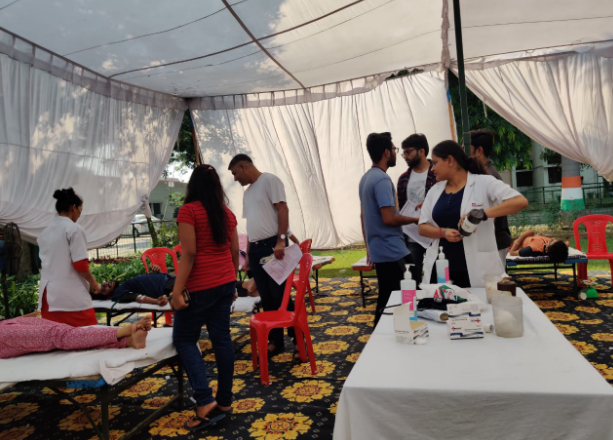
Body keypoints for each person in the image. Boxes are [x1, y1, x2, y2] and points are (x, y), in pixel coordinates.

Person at [170, 165, 239, 431]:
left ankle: (204, 400)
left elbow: (189, 254)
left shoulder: (188, 211)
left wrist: (177, 291)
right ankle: (225, 402)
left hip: (200, 287)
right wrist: (233, 282)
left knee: (184, 339)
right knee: (222, 340)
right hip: (224, 284)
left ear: (193, 185)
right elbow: (234, 253)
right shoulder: (227, 214)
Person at [418, 141, 529, 288]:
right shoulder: (435, 191)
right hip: (441, 268)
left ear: (450, 160)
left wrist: (482, 214)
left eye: (435, 163)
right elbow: (422, 227)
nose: (432, 168)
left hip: (476, 268)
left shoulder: (484, 183)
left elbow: (520, 201)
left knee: (479, 302)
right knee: (441, 301)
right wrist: (443, 232)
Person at [228, 154, 297, 357]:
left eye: (235, 173)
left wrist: (281, 240)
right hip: (257, 249)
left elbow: (283, 209)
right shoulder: (248, 193)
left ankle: (297, 339)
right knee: (266, 298)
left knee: (280, 295)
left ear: (243, 167)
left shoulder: (270, 180)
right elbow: (252, 225)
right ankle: (276, 341)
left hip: (272, 246)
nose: (234, 178)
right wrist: (249, 255)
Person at [359, 132, 419, 326]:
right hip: (392, 251)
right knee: (405, 294)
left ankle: (382, 335)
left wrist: (369, 248)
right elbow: (389, 218)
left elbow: (363, 217)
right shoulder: (382, 180)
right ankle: (395, 333)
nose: (396, 153)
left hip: (381, 249)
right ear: (386, 152)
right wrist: (415, 219)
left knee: (388, 297)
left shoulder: (366, 178)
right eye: (394, 149)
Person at [37, 188, 102, 327]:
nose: (79, 214)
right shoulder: (74, 229)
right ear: (74, 207)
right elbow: (81, 265)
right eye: (80, 210)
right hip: (70, 297)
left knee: (56, 337)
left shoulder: (44, 232)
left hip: (48, 297)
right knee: (89, 334)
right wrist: (95, 284)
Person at [0, 315, 151, 359]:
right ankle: (121, 332)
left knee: (64, 331)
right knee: (58, 335)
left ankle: (127, 341)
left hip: (5, 323)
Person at [397, 133, 437, 285]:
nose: (405, 156)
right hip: (412, 236)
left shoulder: (437, 173)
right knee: (412, 278)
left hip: (435, 234)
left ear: (421, 151)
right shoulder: (403, 178)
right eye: (403, 153)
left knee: (436, 276)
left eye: (408, 152)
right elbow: (401, 208)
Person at [470, 129, 514, 267]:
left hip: (494, 242)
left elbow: (494, 213)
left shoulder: (489, 176)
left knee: (494, 279)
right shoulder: (480, 174)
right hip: (489, 242)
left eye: (466, 147)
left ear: (479, 150)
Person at [91, 267, 171, 306]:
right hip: (166, 285)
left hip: (167, 277)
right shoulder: (117, 293)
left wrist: (157, 271)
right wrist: (156, 301)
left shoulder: (122, 285)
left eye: (103, 283)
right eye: (103, 288)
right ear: (107, 297)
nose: (106, 284)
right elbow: (138, 297)